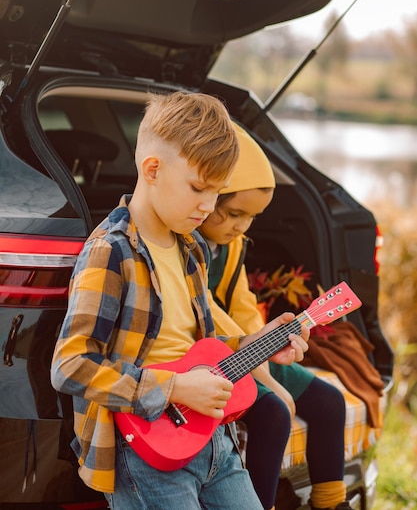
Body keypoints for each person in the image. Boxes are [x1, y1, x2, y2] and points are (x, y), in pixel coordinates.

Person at [50, 91, 309, 510]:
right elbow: (70, 366)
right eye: (198, 189)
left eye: (217, 192)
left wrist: (259, 342)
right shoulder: (111, 253)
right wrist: (175, 388)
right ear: (152, 169)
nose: (208, 206)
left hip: (213, 443)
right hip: (146, 448)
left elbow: (202, 348)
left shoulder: (191, 250)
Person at [199, 122, 353, 510]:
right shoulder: (189, 248)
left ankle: (330, 502)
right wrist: (264, 371)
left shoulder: (230, 247)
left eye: (251, 218)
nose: (241, 227)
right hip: (215, 356)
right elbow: (209, 313)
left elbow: (243, 307)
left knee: (329, 402)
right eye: (234, 213)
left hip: (250, 349)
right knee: (273, 413)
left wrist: (268, 346)